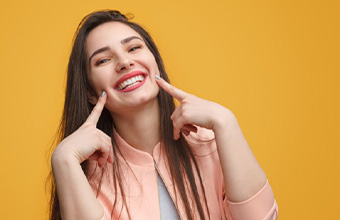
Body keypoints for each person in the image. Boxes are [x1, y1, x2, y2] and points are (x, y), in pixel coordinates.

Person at [49, 10, 278, 220]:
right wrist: (63, 160)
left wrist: (226, 121)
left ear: (155, 64)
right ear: (90, 92)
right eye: (103, 60)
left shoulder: (212, 142)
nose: (125, 62)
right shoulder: (87, 176)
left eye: (134, 48)